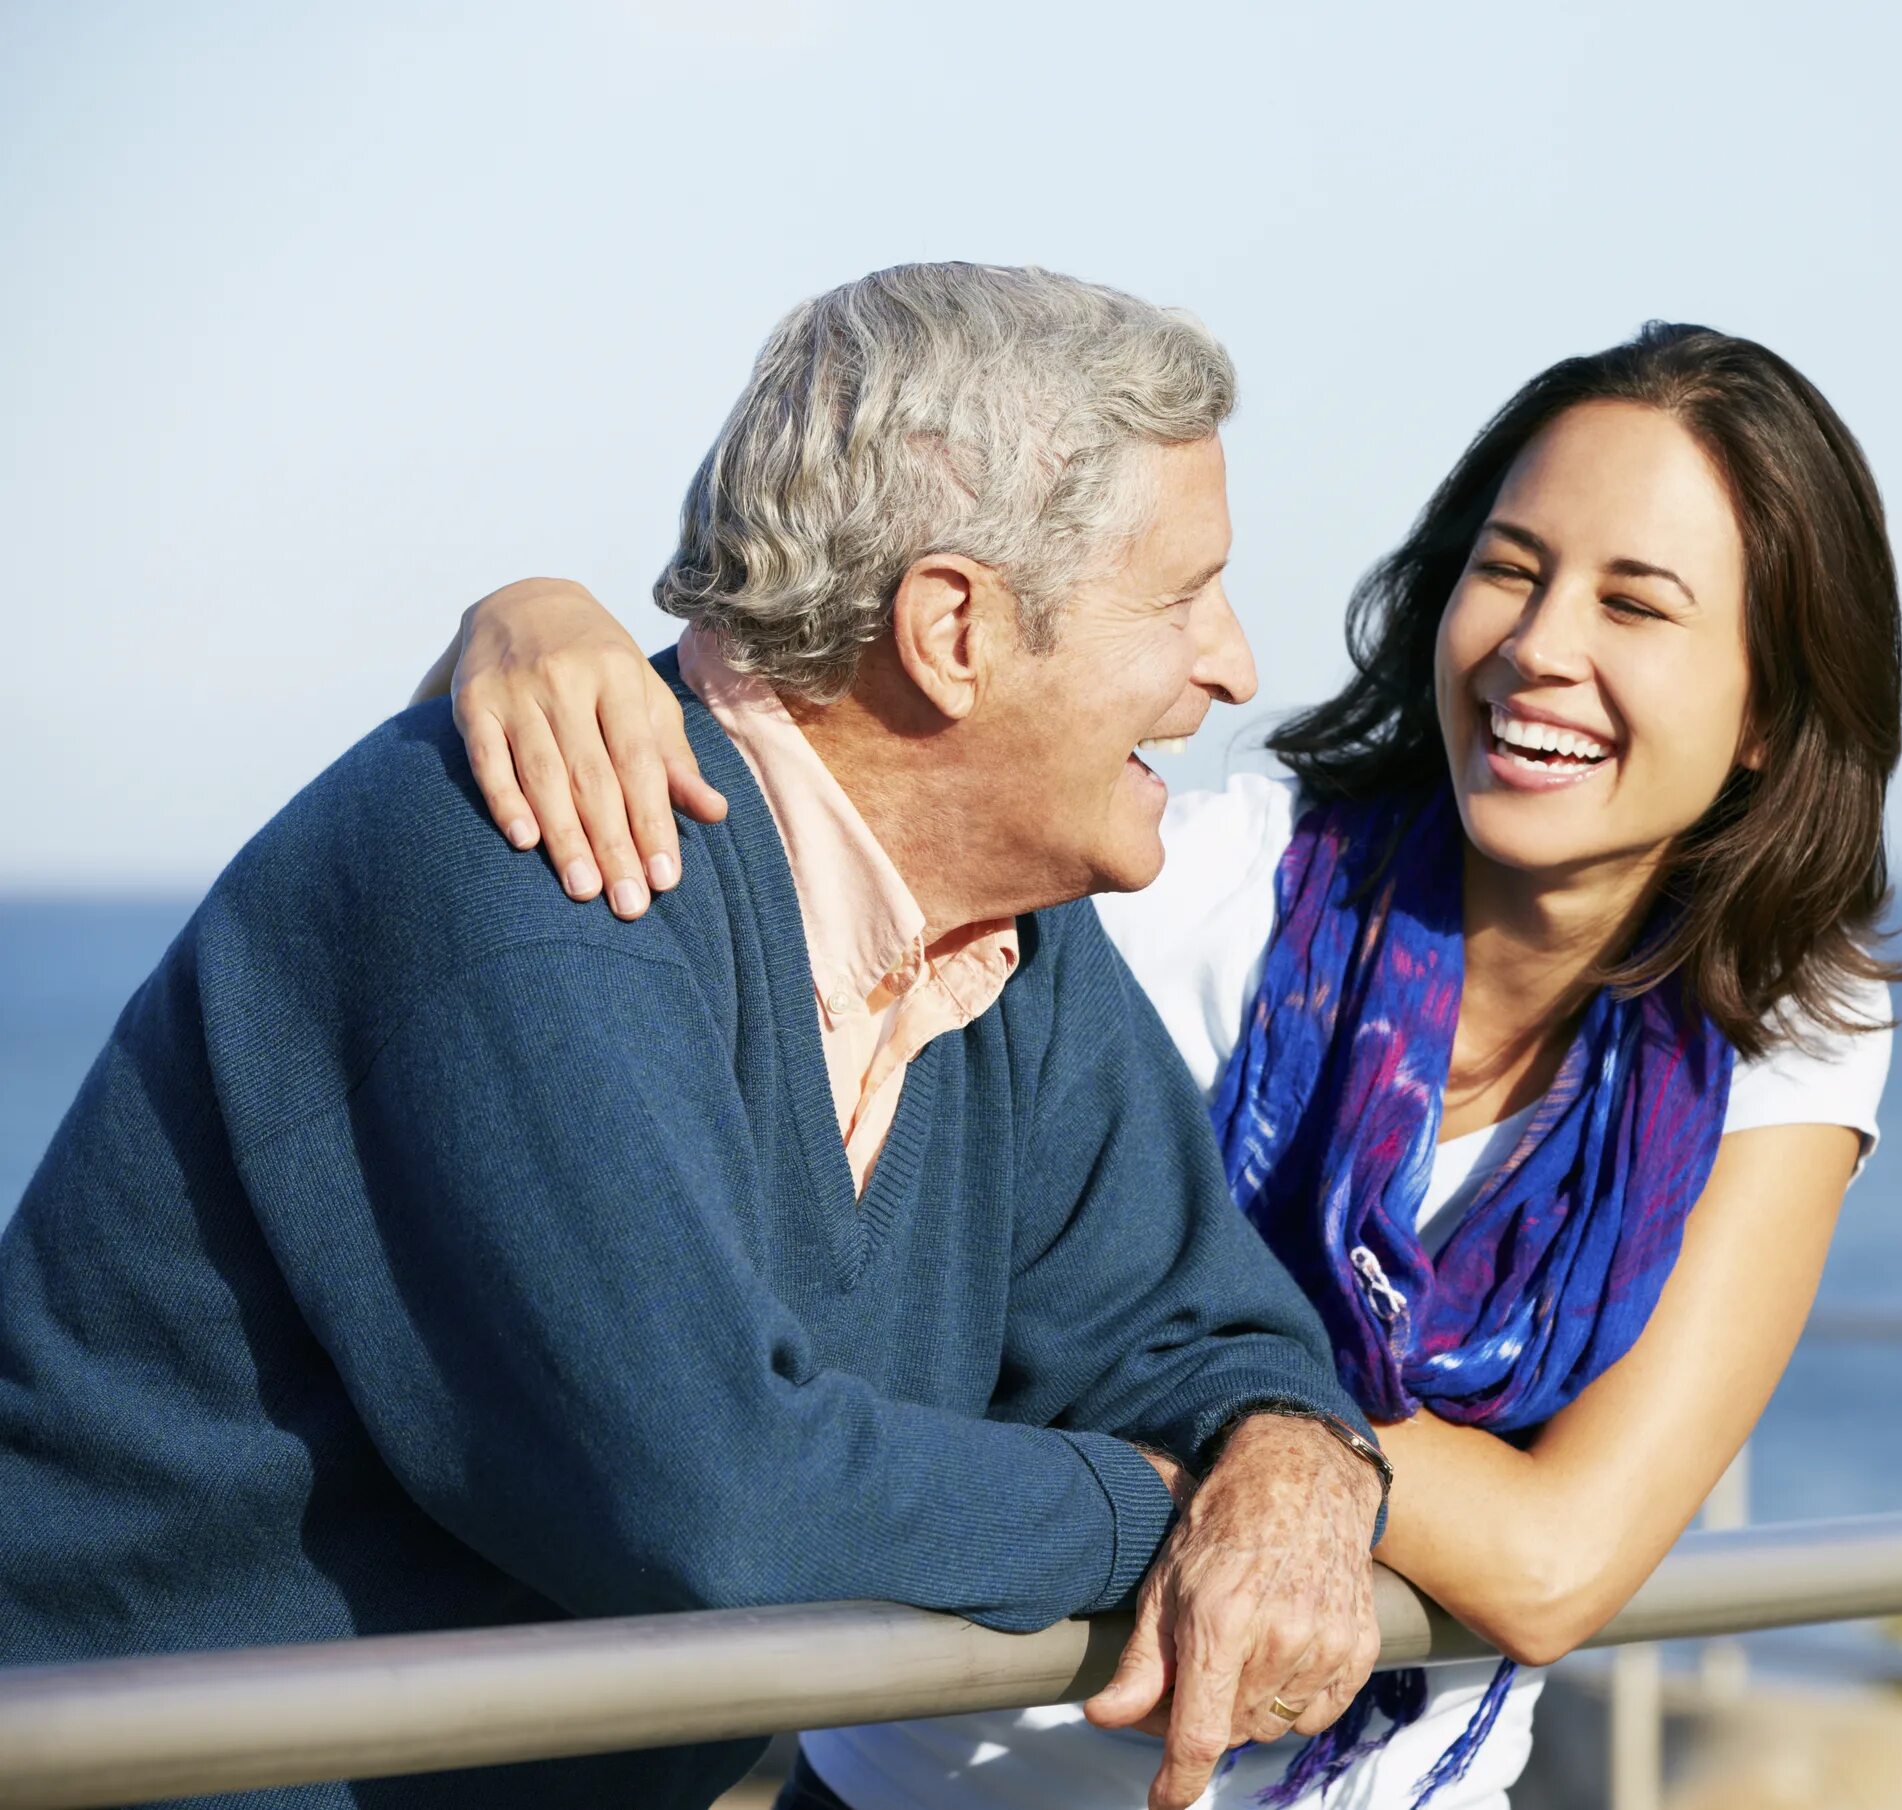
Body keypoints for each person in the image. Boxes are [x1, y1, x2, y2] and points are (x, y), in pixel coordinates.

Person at [442, 321, 1902, 1810]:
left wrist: (1245, 1426)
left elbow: (1557, 1563)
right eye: (1512, 567)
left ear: (1769, 716)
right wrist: (534, 618)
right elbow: (809, 837)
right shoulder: (1197, 888)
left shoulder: (1791, 1026)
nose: (1542, 646)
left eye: (1638, 605)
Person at [0, 264, 1393, 1810]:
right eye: (1184, 593)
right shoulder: (538, 865)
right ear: (954, 628)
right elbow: (715, 1502)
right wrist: (1152, 1509)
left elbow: (1205, 1327)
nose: (1237, 664)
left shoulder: (1015, 947)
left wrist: (1282, 1463)